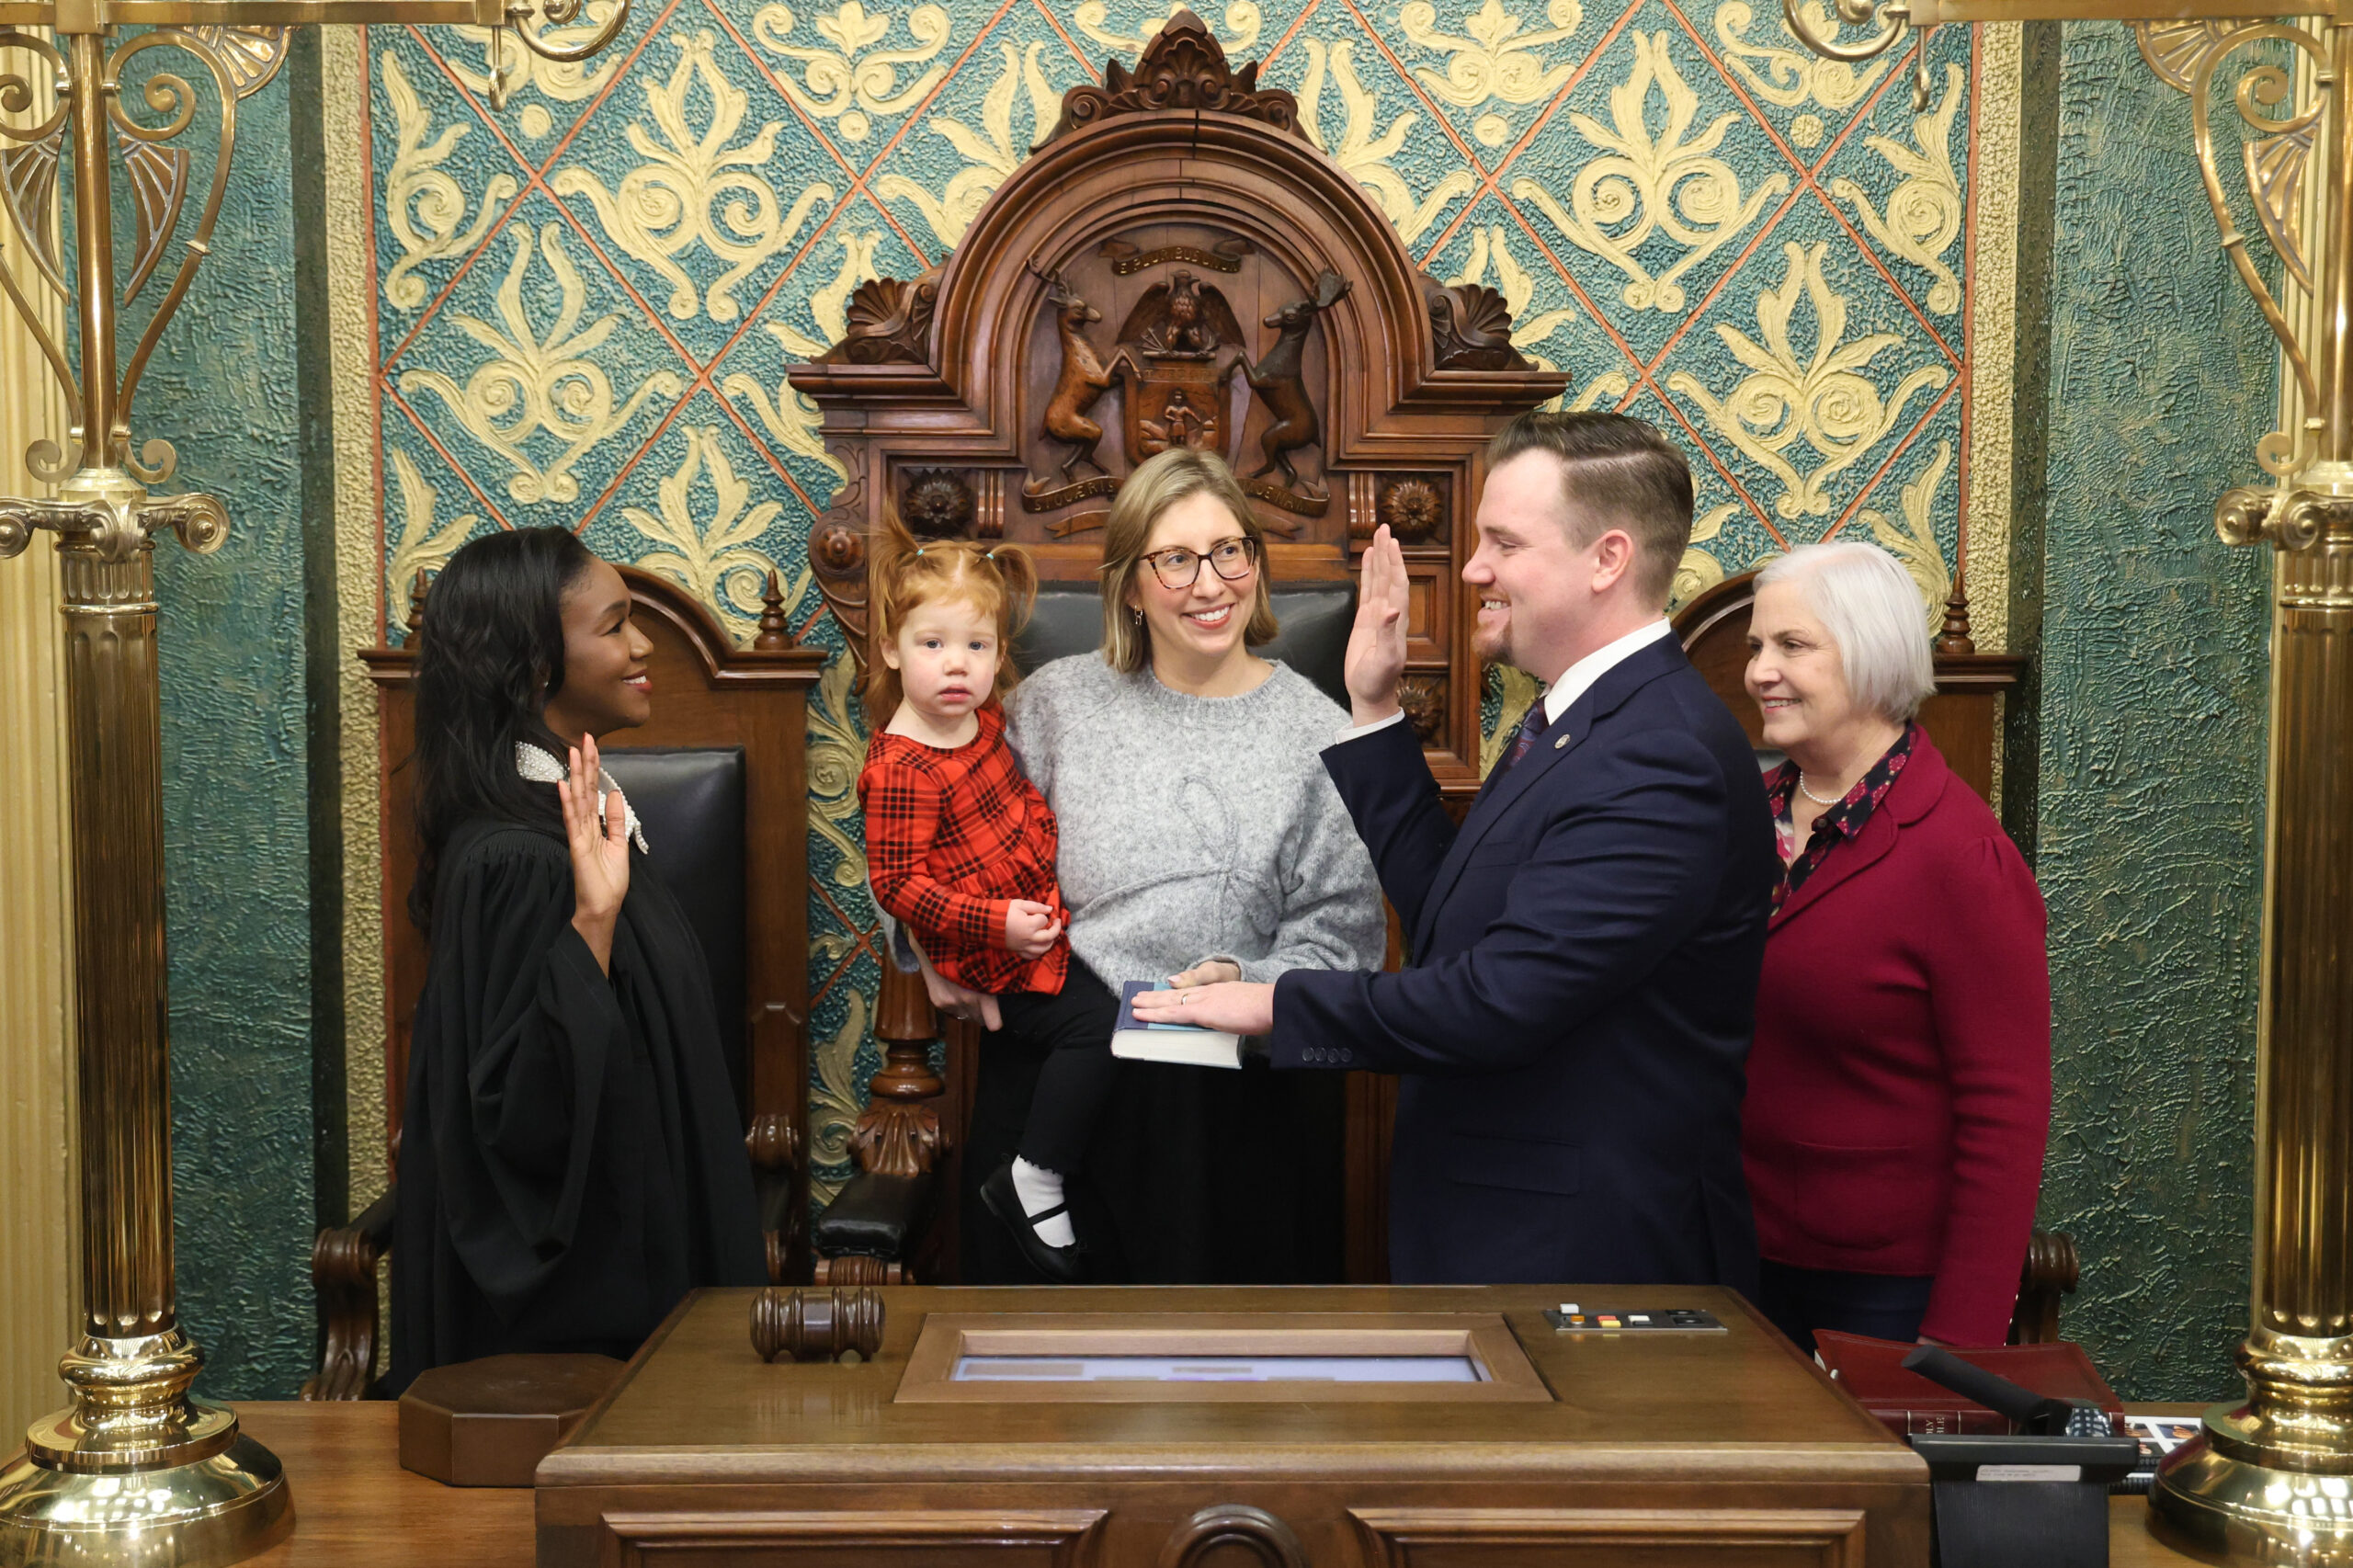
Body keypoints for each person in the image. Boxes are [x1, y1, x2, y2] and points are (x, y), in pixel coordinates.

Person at [1139, 411, 1777, 1290]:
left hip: (1586, 1260)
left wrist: (1276, 1002)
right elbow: (1450, 914)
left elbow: (1497, 1000)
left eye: (1504, 543)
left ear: (1608, 559)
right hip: (1502, 1228)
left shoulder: (1660, 756)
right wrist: (1374, 710)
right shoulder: (1579, 716)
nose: (1474, 568)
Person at [923, 447, 1385, 1284]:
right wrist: (920, 945)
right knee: (1036, 1402)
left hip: (1229, 1120)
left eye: (1229, 550)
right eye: (1175, 559)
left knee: (1224, 1402)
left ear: (1256, 563)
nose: (1210, 584)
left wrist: (1245, 980)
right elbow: (932, 825)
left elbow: (1345, 947)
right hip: (1049, 1123)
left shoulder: (1320, 736)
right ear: (1129, 585)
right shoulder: (1054, 705)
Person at [391, 528, 764, 1388]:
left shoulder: (576, 817)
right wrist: (590, 926)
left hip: (658, 1247)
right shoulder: (520, 861)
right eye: (614, 626)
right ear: (533, 664)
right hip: (576, 1345)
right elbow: (520, 1120)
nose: (641, 647)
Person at [1740, 542, 2050, 1351]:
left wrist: (1958, 1346)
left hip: (1882, 1297)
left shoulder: (1961, 855)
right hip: (1730, 1257)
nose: (1760, 672)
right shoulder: (1740, 818)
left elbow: (2006, 1115)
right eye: (1755, 648)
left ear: (1873, 656)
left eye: (1792, 647)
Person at [855, 520, 1099, 1282]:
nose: (956, 666)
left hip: (1031, 928)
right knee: (1098, 1028)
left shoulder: (982, 720)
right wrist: (994, 922)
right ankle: (1036, 1174)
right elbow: (895, 884)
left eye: (977, 646)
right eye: (932, 645)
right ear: (892, 650)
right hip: (987, 953)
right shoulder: (902, 766)